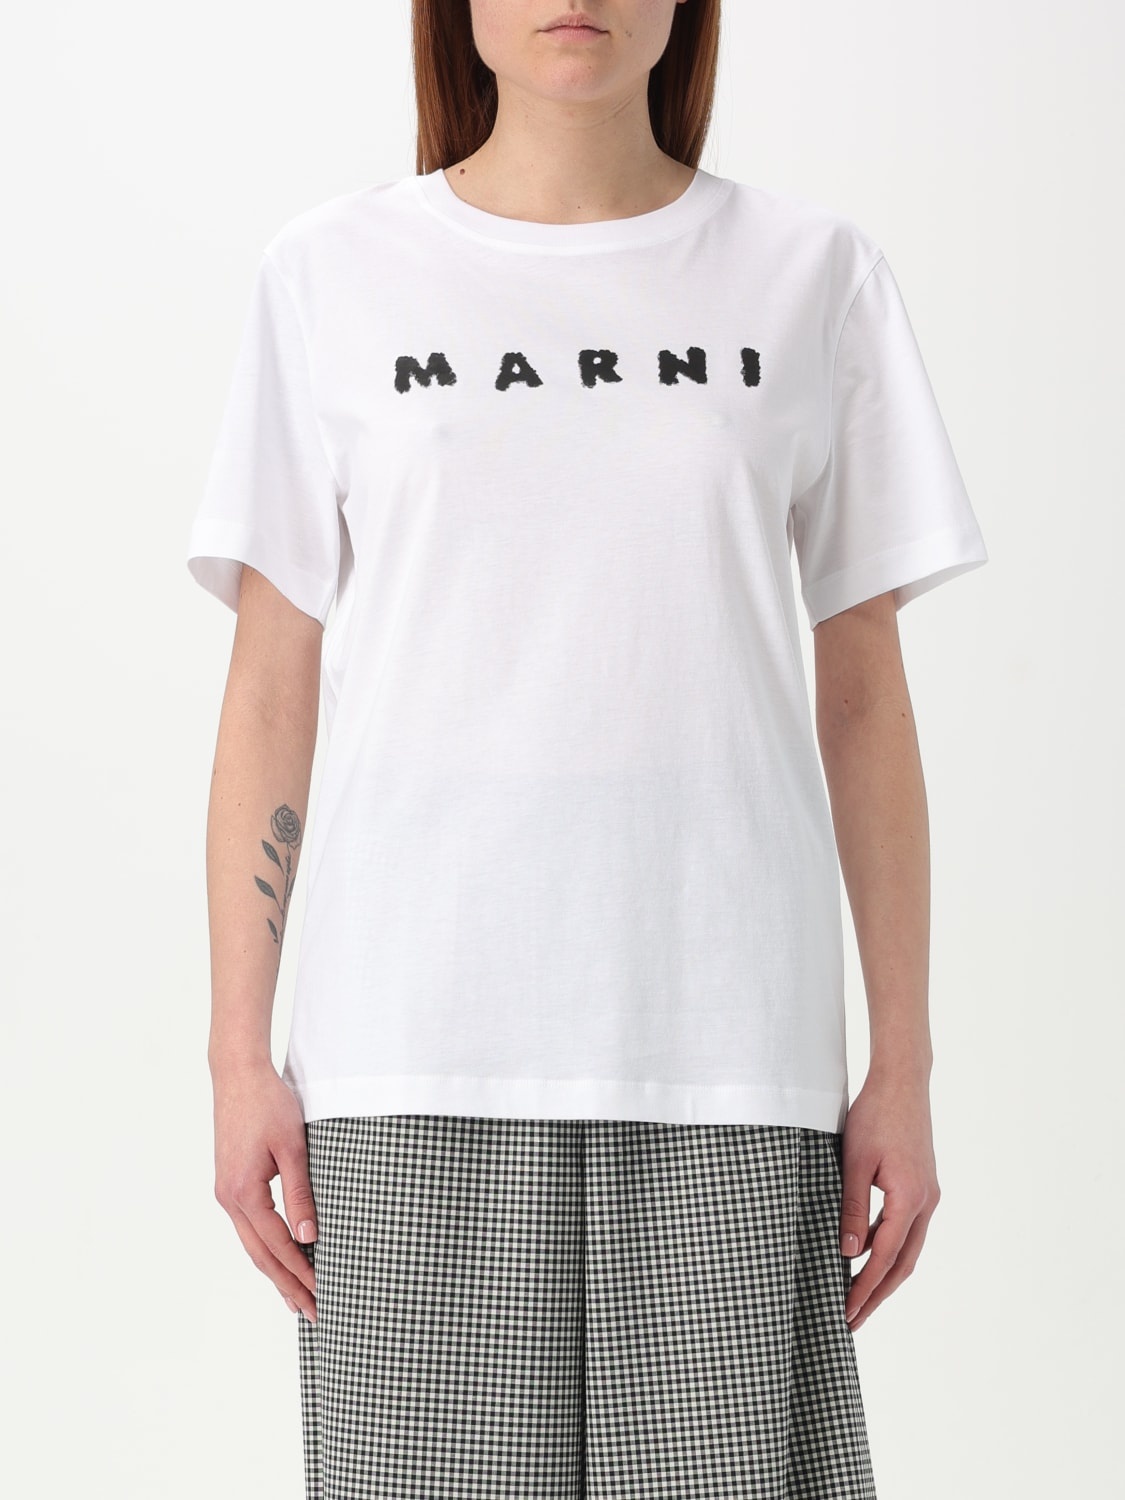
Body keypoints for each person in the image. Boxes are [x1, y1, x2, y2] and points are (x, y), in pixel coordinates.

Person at [187, 2, 988, 1496]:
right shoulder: (327, 274)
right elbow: (270, 688)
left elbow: (866, 696)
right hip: (410, 1053)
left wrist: (904, 1064)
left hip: (728, 1053)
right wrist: (240, 1057)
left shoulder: (812, 274)